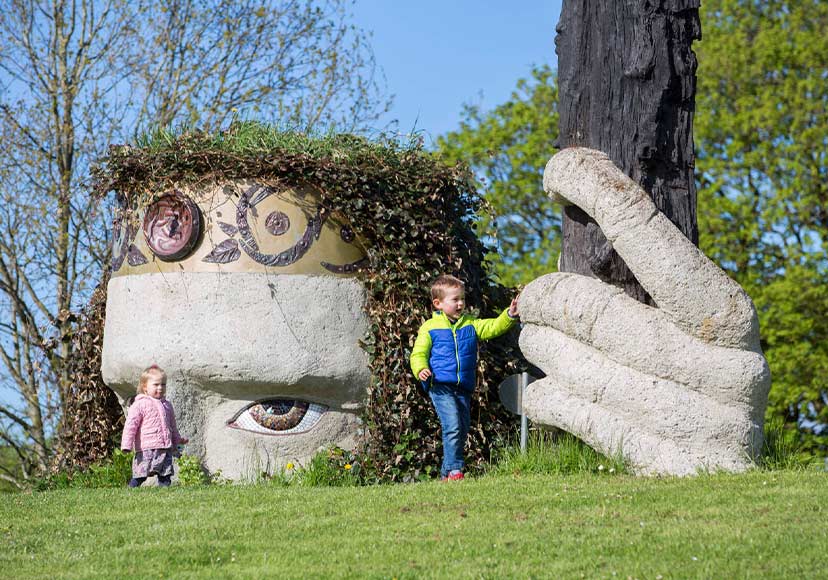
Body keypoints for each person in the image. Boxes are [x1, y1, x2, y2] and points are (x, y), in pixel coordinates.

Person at [410, 274, 519, 481]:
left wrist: (509, 315)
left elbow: (492, 327)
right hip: (440, 386)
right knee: (452, 425)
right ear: (438, 303)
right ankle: (455, 470)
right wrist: (421, 369)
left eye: (462, 299)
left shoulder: (469, 324)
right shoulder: (430, 328)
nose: (460, 303)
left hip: (463, 387)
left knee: (461, 427)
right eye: (455, 299)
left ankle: (445, 473)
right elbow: (418, 354)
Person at [121, 365, 188, 487]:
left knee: (165, 474)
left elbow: (172, 426)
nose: (160, 388)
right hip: (147, 448)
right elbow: (130, 426)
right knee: (140, 474)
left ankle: (165, 492)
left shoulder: (167, 405)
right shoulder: (139, 404)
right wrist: (126, 445)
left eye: (163, 384)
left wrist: (177, 440)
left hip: (164, 447)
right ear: (145, 387)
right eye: (156, 385)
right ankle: (131, 489)